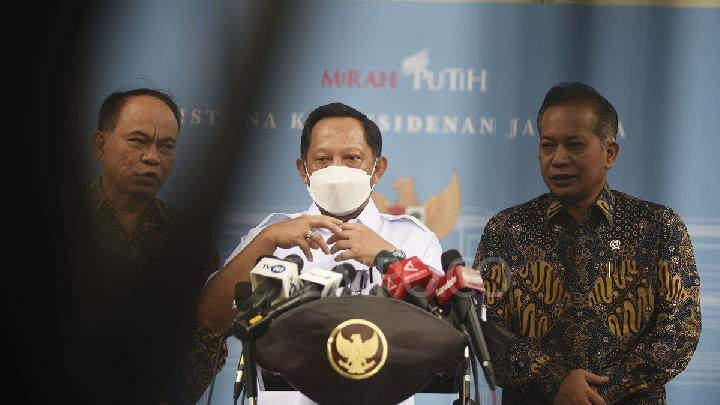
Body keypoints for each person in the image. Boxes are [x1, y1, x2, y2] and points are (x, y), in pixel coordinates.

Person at [198, 102, 443, 404]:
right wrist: (268, 239)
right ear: (304, 170)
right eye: (323, 159)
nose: (336, 170)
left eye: (351, 158)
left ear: (377, 169)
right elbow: (211, 317)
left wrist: (390, 258)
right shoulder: (272, 235)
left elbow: (444, 335)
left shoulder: (412, 238)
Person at [473, 82, 701, 405]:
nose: (558, 159)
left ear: (610, 153)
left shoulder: (658, 227)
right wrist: (554, 381)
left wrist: (597, 394)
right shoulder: (505, 230)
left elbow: (681, 329)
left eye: (574, 145)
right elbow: (483, 328)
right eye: (548, 146)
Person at [87, 87, 227, 404]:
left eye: (166, 146)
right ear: (100, 145)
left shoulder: (190, 241)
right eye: (138, 141)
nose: (152, 157)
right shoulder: (59, 224)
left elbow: (208, 340)